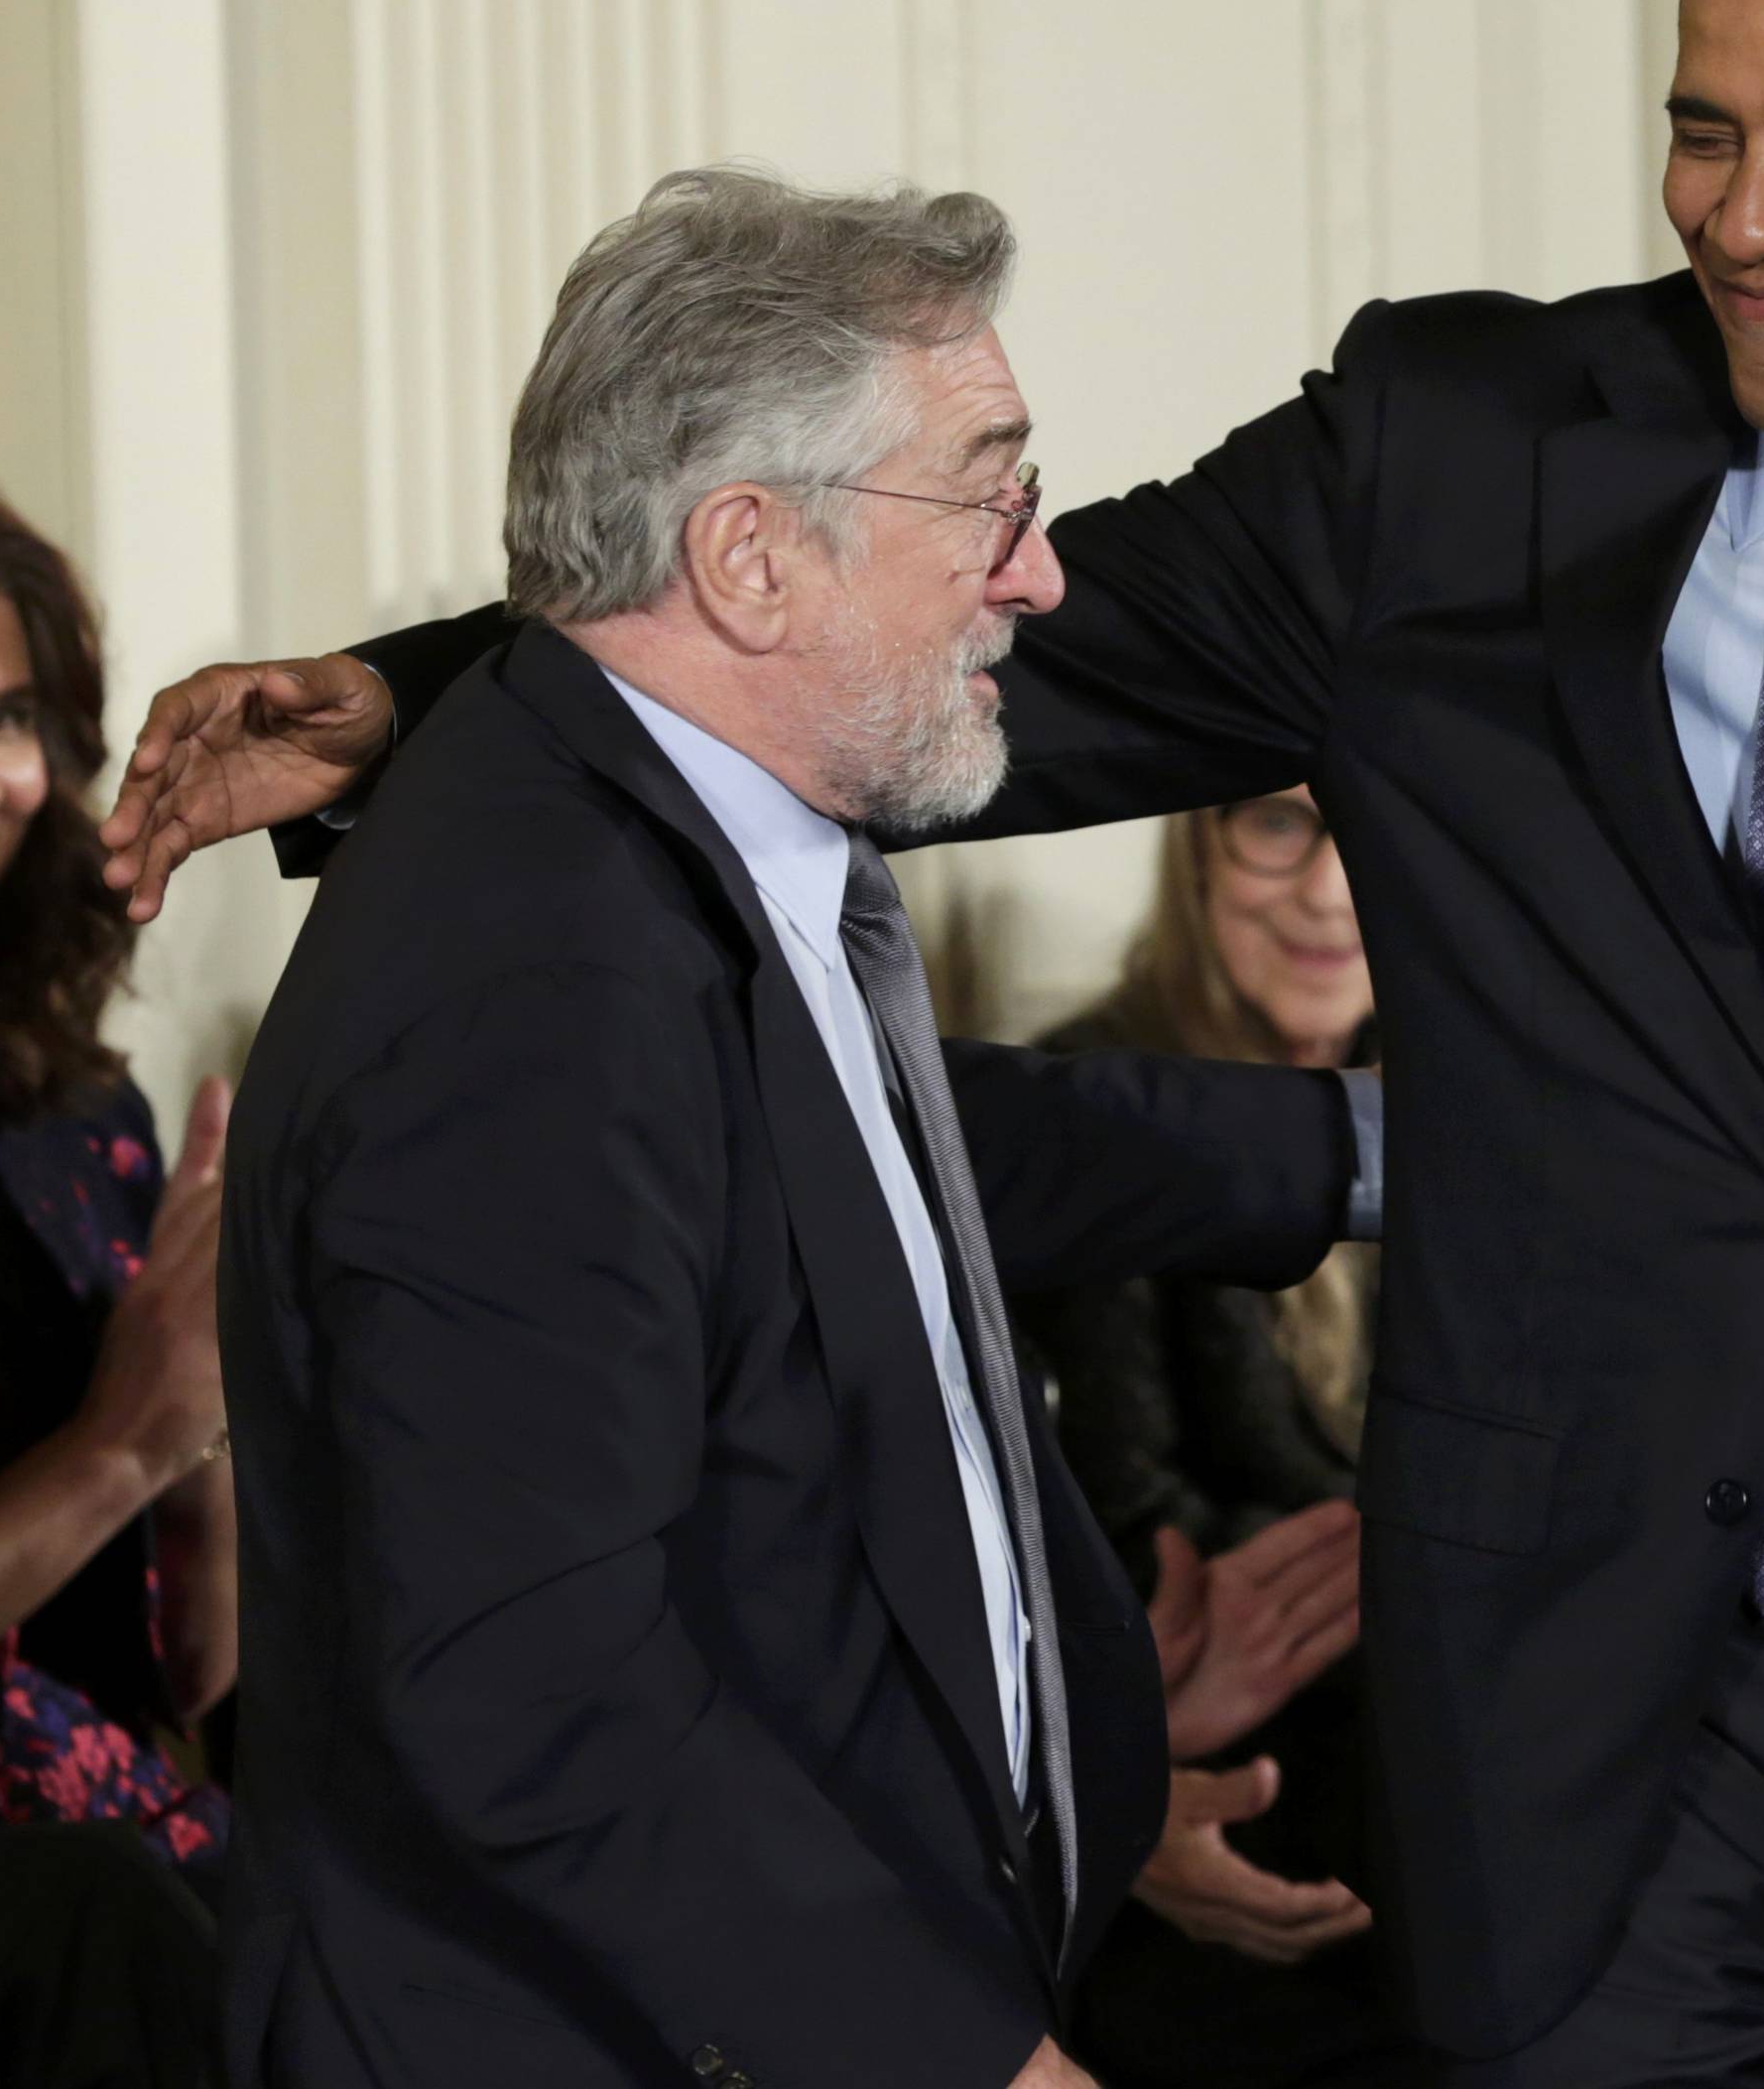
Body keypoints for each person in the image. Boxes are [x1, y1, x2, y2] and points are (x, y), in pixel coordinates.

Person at [102, 0, 1764, 2081]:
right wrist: (413, 700)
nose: (1747, 215)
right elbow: (945, 633)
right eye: (1700, 130)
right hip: (1610, 1716)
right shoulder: (1465, 442)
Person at [202, 172, 1380, 2089]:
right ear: (750, 554)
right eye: (991, 495)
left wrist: (1370, 1157)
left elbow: (873, 1178)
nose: (1041, 574)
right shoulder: (532, 970)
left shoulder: (664, 842)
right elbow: (533, 1685)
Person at [1016, 793, 1422, 2089]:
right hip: (1215, 1798)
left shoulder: (1467, 1107)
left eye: (1375, 828)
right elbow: (1131, 1518)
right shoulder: (1095, 1107)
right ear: (1196, 846)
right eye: (1279, 825)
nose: (1331, 892)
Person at [0, 483, 234, 2082]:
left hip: (118, 1813)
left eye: (7, 714)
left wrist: (213, 1457)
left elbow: (190, 1674)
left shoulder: (81, 1115)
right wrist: (126, 1443)